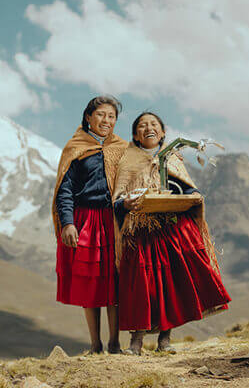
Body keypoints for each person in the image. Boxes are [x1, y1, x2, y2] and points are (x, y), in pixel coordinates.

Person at [113, 112, 231, 355]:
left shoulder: (173, 157)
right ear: (135, 135)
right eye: (142, 126)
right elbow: (117, 199)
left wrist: (193, 195)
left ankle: (165, 341)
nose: (148, 128)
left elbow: (185, 188)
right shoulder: (127, 161)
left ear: (163, 132)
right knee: (142, 286)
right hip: (141, 231)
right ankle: (136, 343)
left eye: (153, 124)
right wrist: (125, 204)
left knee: (171, 283)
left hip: (171, 229)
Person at [52, 96, 128, 354]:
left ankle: (115, 343)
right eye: (101, 115)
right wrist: (68, 223)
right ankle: (95, 344)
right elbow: (65, 189)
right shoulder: (76, 148)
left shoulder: (122, 148)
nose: (106, 120)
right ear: (88, 117)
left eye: (111, 116)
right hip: (86, 220)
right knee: (91, 281)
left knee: (115, 279)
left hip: (114, 220)